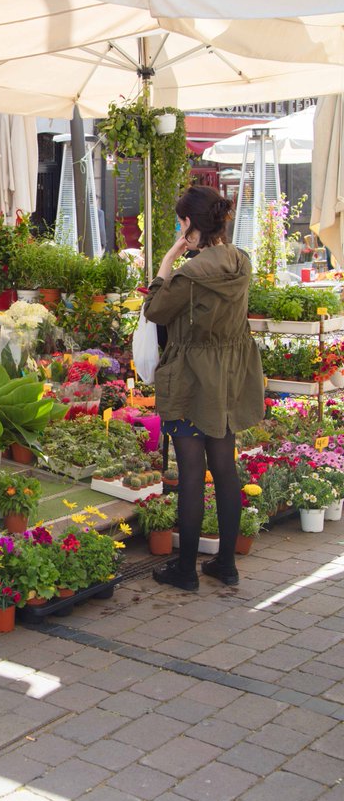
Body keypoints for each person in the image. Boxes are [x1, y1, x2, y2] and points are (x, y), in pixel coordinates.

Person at [143, 185, 264, 592]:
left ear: (192, 224)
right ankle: (226, 564)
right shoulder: (240, 262)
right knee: (225, 469)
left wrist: (166, 262)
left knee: (192, 473)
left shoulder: (190, 274)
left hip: (192, 379)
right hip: (228, 378)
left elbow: (155, 309)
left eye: (182, 222)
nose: (181, 228)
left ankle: (185, 571)